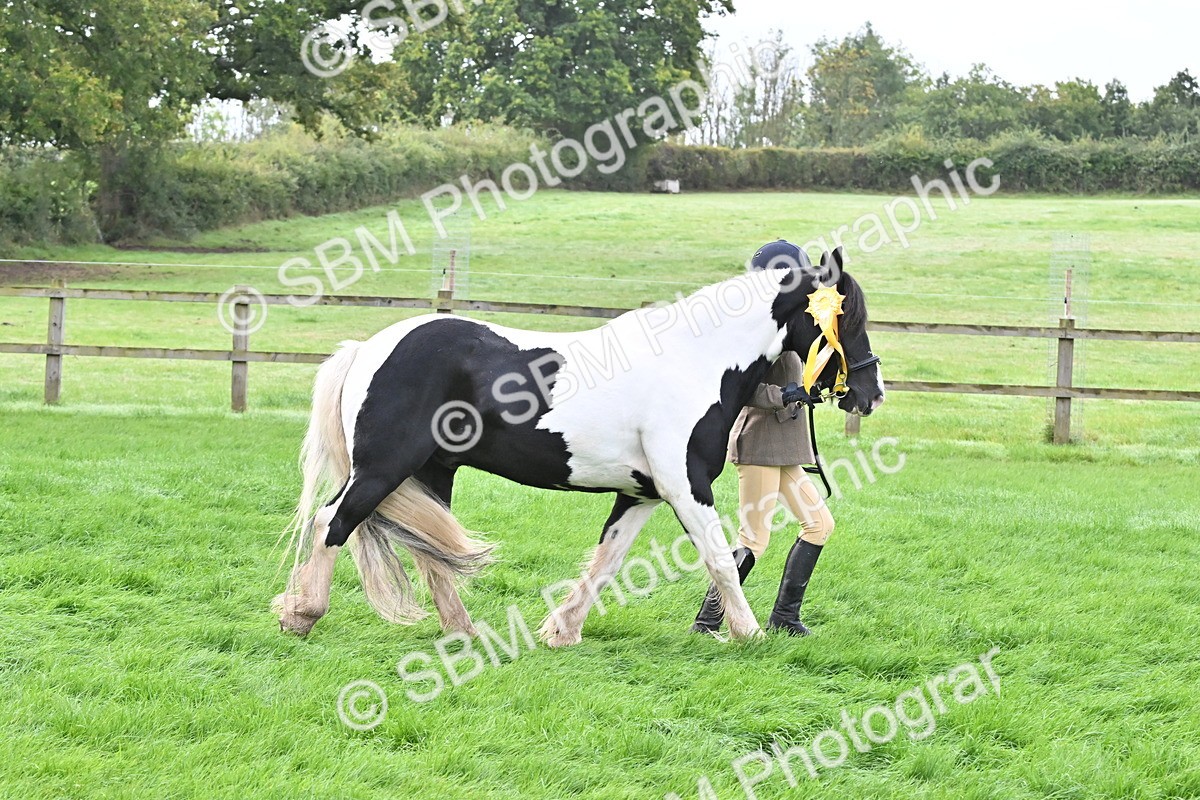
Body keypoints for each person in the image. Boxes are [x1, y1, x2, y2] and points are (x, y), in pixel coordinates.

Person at [691, 239, 835, 637]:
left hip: (784, 448)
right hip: (758, 445)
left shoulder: (786, 324)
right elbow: (742, 389)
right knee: (753, 539)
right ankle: (706, 622)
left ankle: (785, 618)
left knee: (819, 524)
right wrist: (784, 395)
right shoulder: (752, 333)